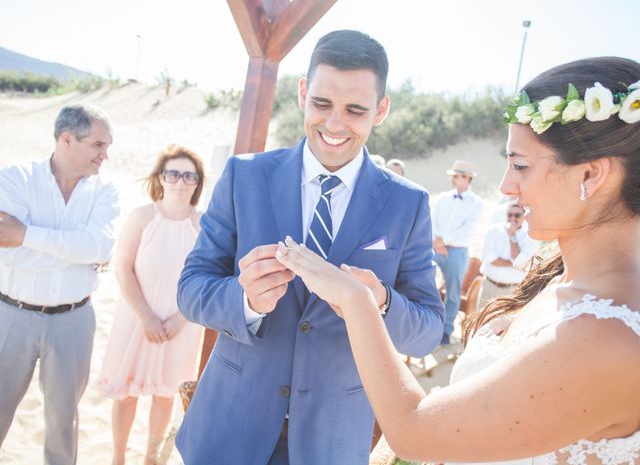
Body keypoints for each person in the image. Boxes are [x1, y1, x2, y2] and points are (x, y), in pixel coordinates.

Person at [275, 56, 640, 464]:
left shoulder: (605, 339)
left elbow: (415, 431)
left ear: (590, 176)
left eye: (520, 165)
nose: (505, 186)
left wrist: (357, 302)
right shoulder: (563, 279)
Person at [175, 30, 444, 464]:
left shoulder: (408, 203)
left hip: (331, 439)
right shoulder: (244, 177)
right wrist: (244, 300)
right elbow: (191, 289)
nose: (334, 124)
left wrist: (375, 301)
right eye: (322, 104)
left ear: (382, 109)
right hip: (228, 429)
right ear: (302, 93)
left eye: (355, 110)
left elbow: (429, 330)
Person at [0, 104, 119, 464]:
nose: (105, 155)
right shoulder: (14, 178)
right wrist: (74, 250)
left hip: (74, 320)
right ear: (66, 139)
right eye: (98, 144)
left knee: (63, 423)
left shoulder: (105, 190)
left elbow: (100, 246)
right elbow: (8, 255)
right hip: (10, 316)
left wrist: (26, 235)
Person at [97, 145, 205, 465]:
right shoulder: (142, 217)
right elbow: (123, 268)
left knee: (165, 394)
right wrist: (146, 317)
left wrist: (180, 319)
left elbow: (206, 277)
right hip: (136, 318)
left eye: (189, 175)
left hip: (180, 325)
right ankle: (118, 458)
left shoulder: (203, 224)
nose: (180, 181)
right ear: (161, 177)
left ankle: (153, 459)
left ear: (198, 182)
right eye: (173, 173)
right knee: (126, 392)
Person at [431, 160, 484, 343]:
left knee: (453, 292)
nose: (452, 179)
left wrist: (443, 242)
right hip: (434, 247)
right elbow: (432, 219)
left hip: (457, 252)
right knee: (424, 281)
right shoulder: (443, 198)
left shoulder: (477, 203)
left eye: (456, 175)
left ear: (467, 178)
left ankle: (446, 330)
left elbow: (467, 231)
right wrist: (436, 241)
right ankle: (426, 322)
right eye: (453, 175)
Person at [477, 203, 537, 310]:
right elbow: (489, 258)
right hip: (489, 286)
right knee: (478, 321)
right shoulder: (493, 231)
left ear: (523, 217)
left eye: (517, 215)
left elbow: (522, 263)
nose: (512, 218)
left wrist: (512, 236)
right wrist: (515, 264)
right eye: (510, 215)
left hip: (511, 290)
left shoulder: (529, 237)